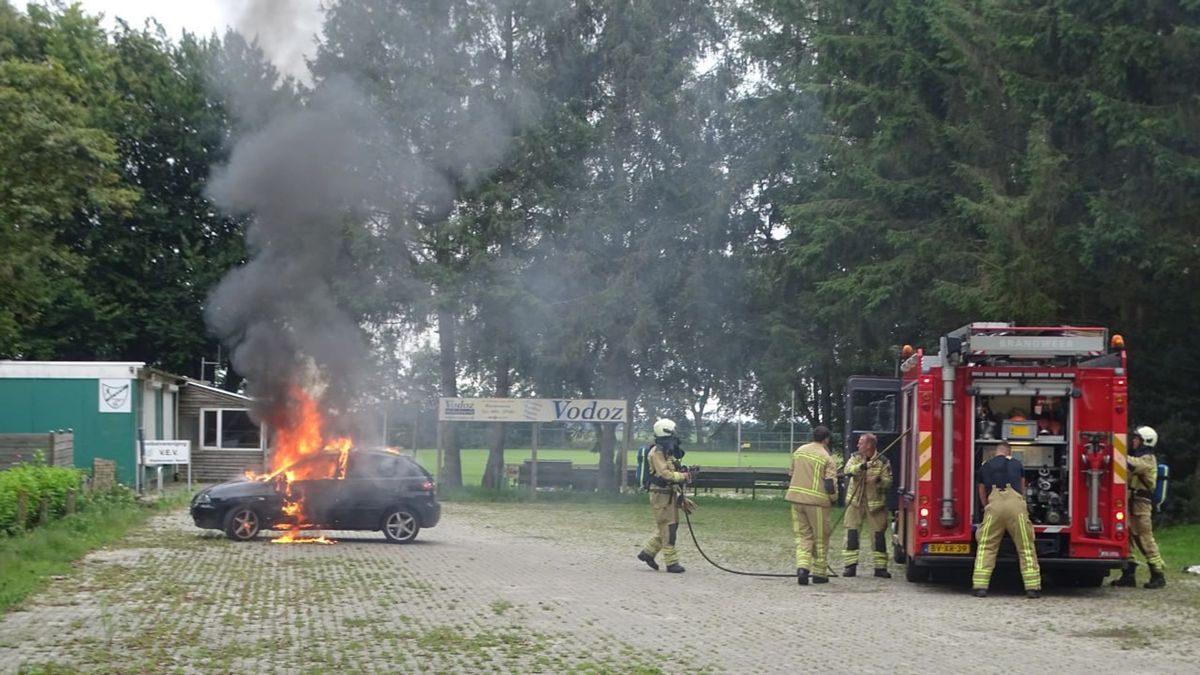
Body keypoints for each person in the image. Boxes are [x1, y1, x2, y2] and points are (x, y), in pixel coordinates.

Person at [972, 441, 1042, 598]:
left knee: (986, 545)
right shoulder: (1017, 464)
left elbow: (981, 490)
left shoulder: (985, 466)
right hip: (1015, 507)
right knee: (1025, 546)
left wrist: (987, 507)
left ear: (995, 452)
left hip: (994, 506)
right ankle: (1032, 588)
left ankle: (980, 587)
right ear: (1009, 452)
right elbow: (1022, 489)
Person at [636, 418, 695, 573]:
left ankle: (647, 553)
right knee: (669, 527)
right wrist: (684, 477)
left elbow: (672, 474)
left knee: (668, 526)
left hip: (669, 494)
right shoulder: (656, 453)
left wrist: (681, 494)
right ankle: (671, 563)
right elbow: (666, 475)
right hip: (660, 495)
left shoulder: (666, 453)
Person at [1112, 426, 1166, 589]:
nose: (1133, 441)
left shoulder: (1148, 459)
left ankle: (1158, 574)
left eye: (1137, 439)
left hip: (1142, 504)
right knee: (1127, 537)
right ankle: (1128, 575)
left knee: (1144, 538)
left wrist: (1115, 451)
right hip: (1131, 502)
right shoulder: (1138, 456)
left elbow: (1133, 465)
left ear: (1145, 441)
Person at [785, 425, 839, 585]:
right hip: (817, 503)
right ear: (827, 439)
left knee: (803, 537)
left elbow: (791, 473)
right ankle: (819, 573)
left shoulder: (799, 451)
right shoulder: (827, 457)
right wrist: (834, 498)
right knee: (821, 538)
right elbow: (829, 483)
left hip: (796, 500)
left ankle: (802, 569)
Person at [841, 433, 893, 578]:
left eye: (861, 443)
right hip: (855, 502)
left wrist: (877, 479)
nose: (858, 445)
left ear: (869, 445)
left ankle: (880, 568)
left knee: (878, 536)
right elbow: (847, 470)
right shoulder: (855, 457)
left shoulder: (883, 461)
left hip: (875, 505)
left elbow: (889, 482)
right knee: (851, 534)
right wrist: (862, 467)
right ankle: (850, 567)